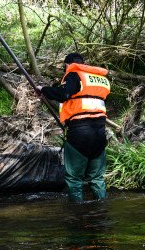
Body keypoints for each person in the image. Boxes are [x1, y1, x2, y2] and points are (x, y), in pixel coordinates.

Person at [39, 53, 110, 202]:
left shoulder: (74, 74)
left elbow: (64, 93)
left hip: (80, 132)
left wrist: (43, 90)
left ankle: (77, 214)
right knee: (97, 177)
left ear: (67, 65)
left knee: (74, 179)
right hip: (100, 133)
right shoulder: (101, 79)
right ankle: (102, 209)